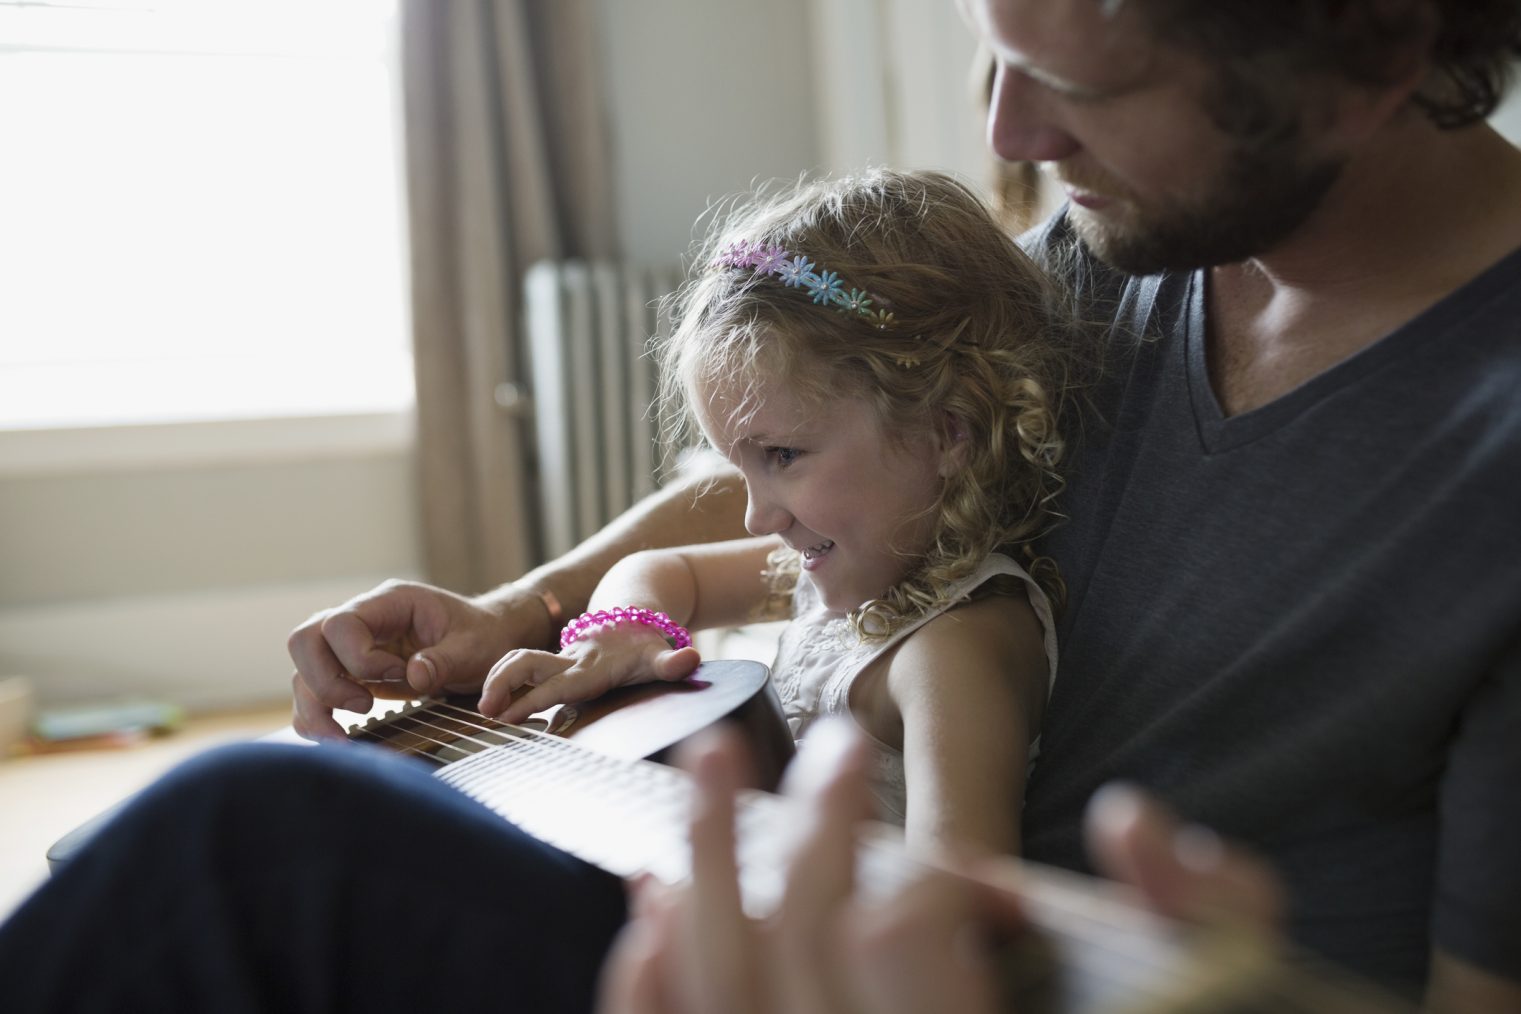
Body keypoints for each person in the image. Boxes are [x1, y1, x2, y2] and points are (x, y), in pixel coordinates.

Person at [2, 0, 1519, 1010]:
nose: (1006, 136)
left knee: (247, 845)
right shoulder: (1138, 249)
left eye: (1077, 83)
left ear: (1373, 56)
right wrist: (518, 614)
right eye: (993, 46)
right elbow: (811, 455)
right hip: (802, 922)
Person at [474, 169, 1072, 854]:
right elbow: (663, 571)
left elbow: (955, 908)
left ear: (947, 432)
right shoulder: (848, 570)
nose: (758, 518)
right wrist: (624, 635)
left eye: (783, 455)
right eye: (740, 466)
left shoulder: (949, 649)